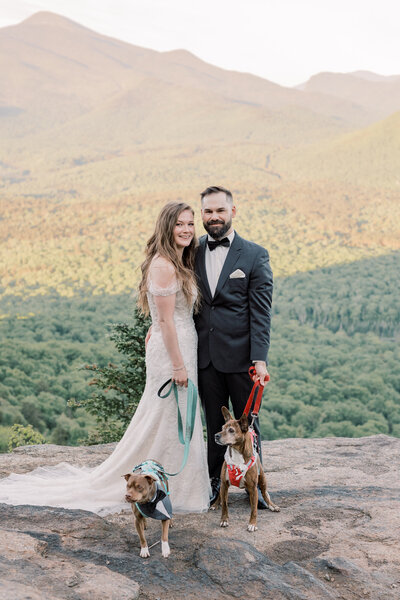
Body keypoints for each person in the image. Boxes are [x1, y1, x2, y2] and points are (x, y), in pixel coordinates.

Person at [0, 202, 210, 515]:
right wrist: (177, 364)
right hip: (173, 354)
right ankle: (168, 489)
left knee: (169, 416)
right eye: (180, 224)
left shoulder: (177, 260)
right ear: (167, 227)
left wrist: (160, 332)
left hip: (178, 346)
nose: (187, 230)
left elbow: (163, 318)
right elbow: (166, 321)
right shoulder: (164, 265)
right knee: (168, 415)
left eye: (191, 224)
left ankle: (170, 485)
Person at [194, 186, 273, 507]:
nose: (214, 217)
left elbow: (261, 313)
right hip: (205, 356)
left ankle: (259, 489)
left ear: (233, 212)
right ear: (202, 214)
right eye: (208, 212)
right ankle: (216, 484)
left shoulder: (255, 255)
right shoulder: (191, 250)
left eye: (220, 211)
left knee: (247, 426)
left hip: (242, 358)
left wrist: (260, 359)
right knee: (214, 425)